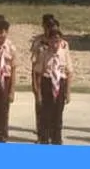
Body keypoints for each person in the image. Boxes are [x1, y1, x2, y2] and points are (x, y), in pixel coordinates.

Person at [33, 23, 72, 145]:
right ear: (48, 41)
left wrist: (68, 92)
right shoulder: (44, 54)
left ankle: (57, 140)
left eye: (58, 41)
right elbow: (38, 74)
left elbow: (69, 73)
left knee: (58, 115)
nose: (55, 44)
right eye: (53, 41)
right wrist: (38, 93)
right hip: (47, 83)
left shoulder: (64, 53)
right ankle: (44, 140)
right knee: (46, 115)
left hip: (60, 84)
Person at [31, 15, 57, 143]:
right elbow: (34, 64)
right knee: (41, 108)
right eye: (47, 27)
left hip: (55, 80)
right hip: (41, 78)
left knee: (54, 109)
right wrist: (35, 84)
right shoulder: (38, 42)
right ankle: (41, 135)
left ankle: (52, 133)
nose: (50, 29)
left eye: (52, 27)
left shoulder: (60, 42)